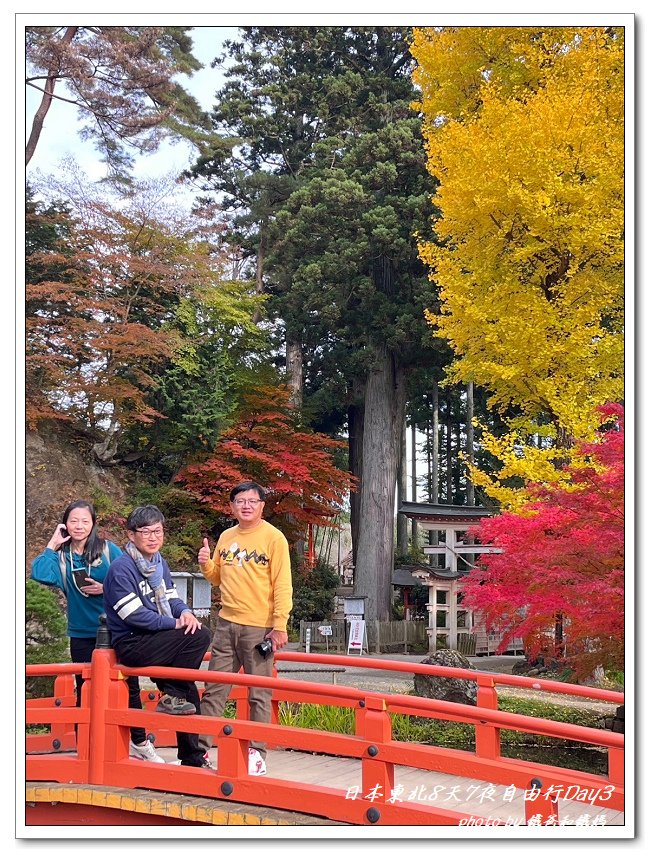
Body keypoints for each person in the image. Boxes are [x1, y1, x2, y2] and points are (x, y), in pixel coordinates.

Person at [31, 500, 163, 763]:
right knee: (85, 690)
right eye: (73, 521)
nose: (79, 526)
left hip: (119, 630)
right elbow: (39, 574)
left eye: (85, 521)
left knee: (130, 687)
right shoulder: (61, 557)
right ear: (65, 524)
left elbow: (135, 579)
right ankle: (88, 747)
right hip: (81, 632)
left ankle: (139, 741)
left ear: (93, 524)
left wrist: (106, 588)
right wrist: (52, 544)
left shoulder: (108, 550)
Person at [103, 505, 211, 768]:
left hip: (156, 640)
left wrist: (185, 612)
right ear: (131, 535)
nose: (153, 537)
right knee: (198, 637)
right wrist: (174, 623)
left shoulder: (158, 562)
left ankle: (192, 759)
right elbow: (134, 615)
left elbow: (171, 597)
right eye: (146, 531)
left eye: (158, 531)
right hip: (132, 642)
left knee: (188, 693)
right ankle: (171, 691)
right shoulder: (122, 569)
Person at [197, 481, 293, 776]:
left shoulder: (274, 538)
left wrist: (279, 625)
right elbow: (217, 578)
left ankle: (257, 753)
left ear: (262, 506)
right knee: (214, 690)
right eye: (240, 501)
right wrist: (205, 564)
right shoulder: (226, 536)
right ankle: (198, 752)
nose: (246, 505)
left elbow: (283, 585)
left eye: (253, 501)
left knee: (258, 693)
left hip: (258, 626)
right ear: (232, 506)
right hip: (226, 624)